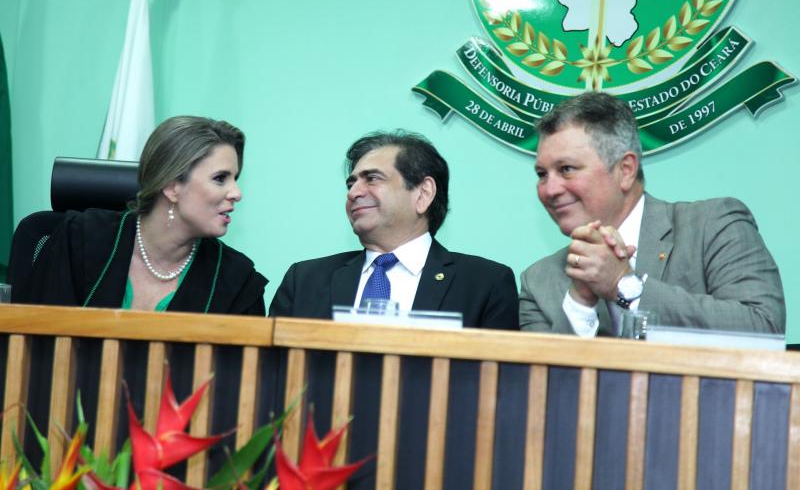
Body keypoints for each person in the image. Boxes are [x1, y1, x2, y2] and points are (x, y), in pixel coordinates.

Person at [519, 92, 784, 336]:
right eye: (542, 174)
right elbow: (541, 373)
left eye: (566, 169)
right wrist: (580, 303)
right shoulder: (538, 282)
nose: (550, 189)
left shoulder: (713, 226)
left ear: (625, 170)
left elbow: (763, 327)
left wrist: (623, 285)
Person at [14, 115, 267, 314]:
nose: (236, 193)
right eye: (220, 178)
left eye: (235, 178)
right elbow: (32, 346)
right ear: (171, 185)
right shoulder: (78, 239)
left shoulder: (239, 282)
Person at [270, 130, 519, 329]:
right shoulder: (304, 280)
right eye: (351, 183)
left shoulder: (485, 284)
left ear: (423, 194)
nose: (353, 193)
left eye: (372, 178)